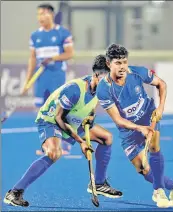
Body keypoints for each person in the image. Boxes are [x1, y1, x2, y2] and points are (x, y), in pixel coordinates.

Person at [3, 55, 122, 207]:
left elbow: (89, 108)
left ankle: (98, 183)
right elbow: (60, 118)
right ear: (96, 75)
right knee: (54, 153)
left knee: (107, 137)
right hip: (51, 120)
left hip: (73, 120)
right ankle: (15, 192)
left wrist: (90, 117)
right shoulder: (75, 89)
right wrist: (81, 142)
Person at [96, 44, 173, 208]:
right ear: (109, 64)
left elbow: (162, 84)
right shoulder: (104, 88)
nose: (122, 66)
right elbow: (118, 120)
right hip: (128, 130)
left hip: (148, 116)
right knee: (143, 170)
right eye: (118, 63)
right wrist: (139, 129)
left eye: (124, 62)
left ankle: (158, 190)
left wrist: (160, 108)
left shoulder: (138, 72)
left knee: (154, 146)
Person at [25, 3, 74, 155]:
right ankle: (47, 145)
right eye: (39, 14)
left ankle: (63, 145)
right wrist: (27, 81)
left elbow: (69, 53)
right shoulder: (35, 36)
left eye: (44, 14)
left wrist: (52, 58)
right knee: (42, 113)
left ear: (51, 15)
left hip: (57, 78)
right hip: (41, 80)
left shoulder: (63, 33)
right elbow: (32, 59)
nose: (41, 17)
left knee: (58, 112)